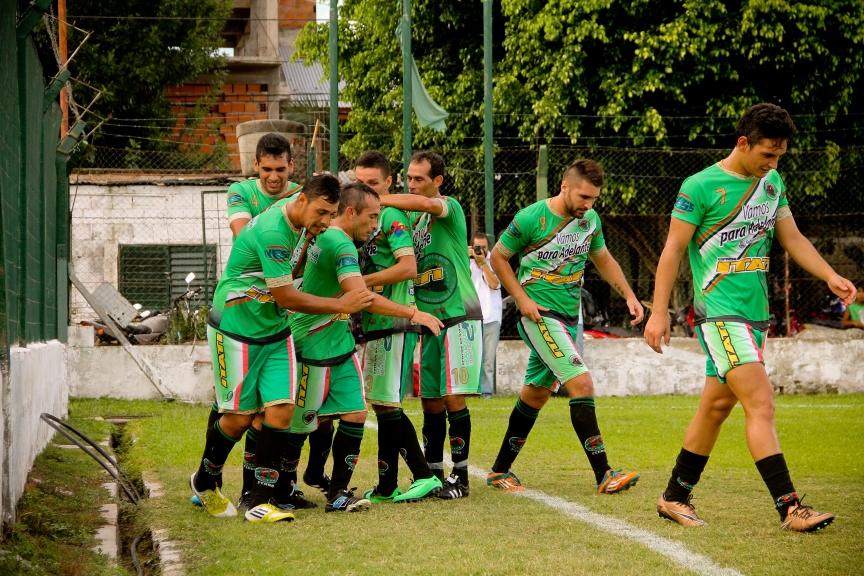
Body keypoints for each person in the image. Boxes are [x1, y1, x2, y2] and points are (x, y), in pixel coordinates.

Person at [645, 103, 856, 531]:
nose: (773, 163)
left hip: (755, 315)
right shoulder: (699, 186)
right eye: (767, 154)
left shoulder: (772, 183)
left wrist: (830, 275)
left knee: (716, 406)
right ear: (743, 143)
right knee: (761, 402)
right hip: (718, 314)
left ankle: (674, 497)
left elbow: (792, 237)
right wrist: (658, 311)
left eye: (779, 155)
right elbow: (672, 250)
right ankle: (789, 507)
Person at [190, 174, 374, 524]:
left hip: (275, 329)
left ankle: (259, 502)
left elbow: (293, 274)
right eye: (321, 212)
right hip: (236, 328)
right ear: (303, 201)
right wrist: (341, 304)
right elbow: (286, 296)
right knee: (239, 419)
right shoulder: (274, 231)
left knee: (282, 411)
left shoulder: (302, 221)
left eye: (331, 214)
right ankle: (204, 480)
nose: (325, 221)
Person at [486, 159, 644, 495]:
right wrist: (521, 299)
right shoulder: (531, 218)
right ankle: (604, 474)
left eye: (594, 199)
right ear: (564, 186)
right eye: (584, 197)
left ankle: (499, 472)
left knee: (536, 393)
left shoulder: (591, 220)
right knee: (581, 382)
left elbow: (603, 258)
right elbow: (498, 258)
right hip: (539, 315)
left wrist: (629, 295)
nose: (589, 204)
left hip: (569, 317)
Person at [287, 182, 444, 513]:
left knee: (356, 413)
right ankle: (280, 488)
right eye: (372, 217)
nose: (376, 225)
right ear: (350, 212)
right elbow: (363, 298)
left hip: (338, 341)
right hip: (313, 342)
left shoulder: (327, 235)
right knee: (301, 423)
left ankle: (338, 493)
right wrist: (413, 313)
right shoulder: (340, 244)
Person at [377, 151, 484, 499]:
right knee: (430, 400)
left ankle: (461, 477)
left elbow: (423, 203)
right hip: (429, 320)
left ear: (437, 181)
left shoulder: (447, 207)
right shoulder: (414, 220)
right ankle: (434, 474)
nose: (411, 184)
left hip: (458, 314)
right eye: (408, 177)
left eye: (419, 179)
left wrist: (376, 198)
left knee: (453, 397)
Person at [353, 151, 446, 503]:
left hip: (395, 321)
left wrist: (359, 283)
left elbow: (408, 268)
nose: (366, 190)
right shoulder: (366, 217)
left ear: (389, 183)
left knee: (387, 404)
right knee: (382, 403)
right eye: (360, 183)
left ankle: (424, 476)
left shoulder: (390, 215)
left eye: (373, 184)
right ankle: (387, 484)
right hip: (377, 321)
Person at [469, 231, 502, 398]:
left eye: (484, 247)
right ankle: (470, 391)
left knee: (488, 360)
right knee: (471, 358)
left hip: (491, 316)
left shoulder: (495, 261)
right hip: (470, 316)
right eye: (477, 247)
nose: (480, 250)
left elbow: (495, 284)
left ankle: (486, 393)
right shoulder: (465, 261)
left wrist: (483, 263)